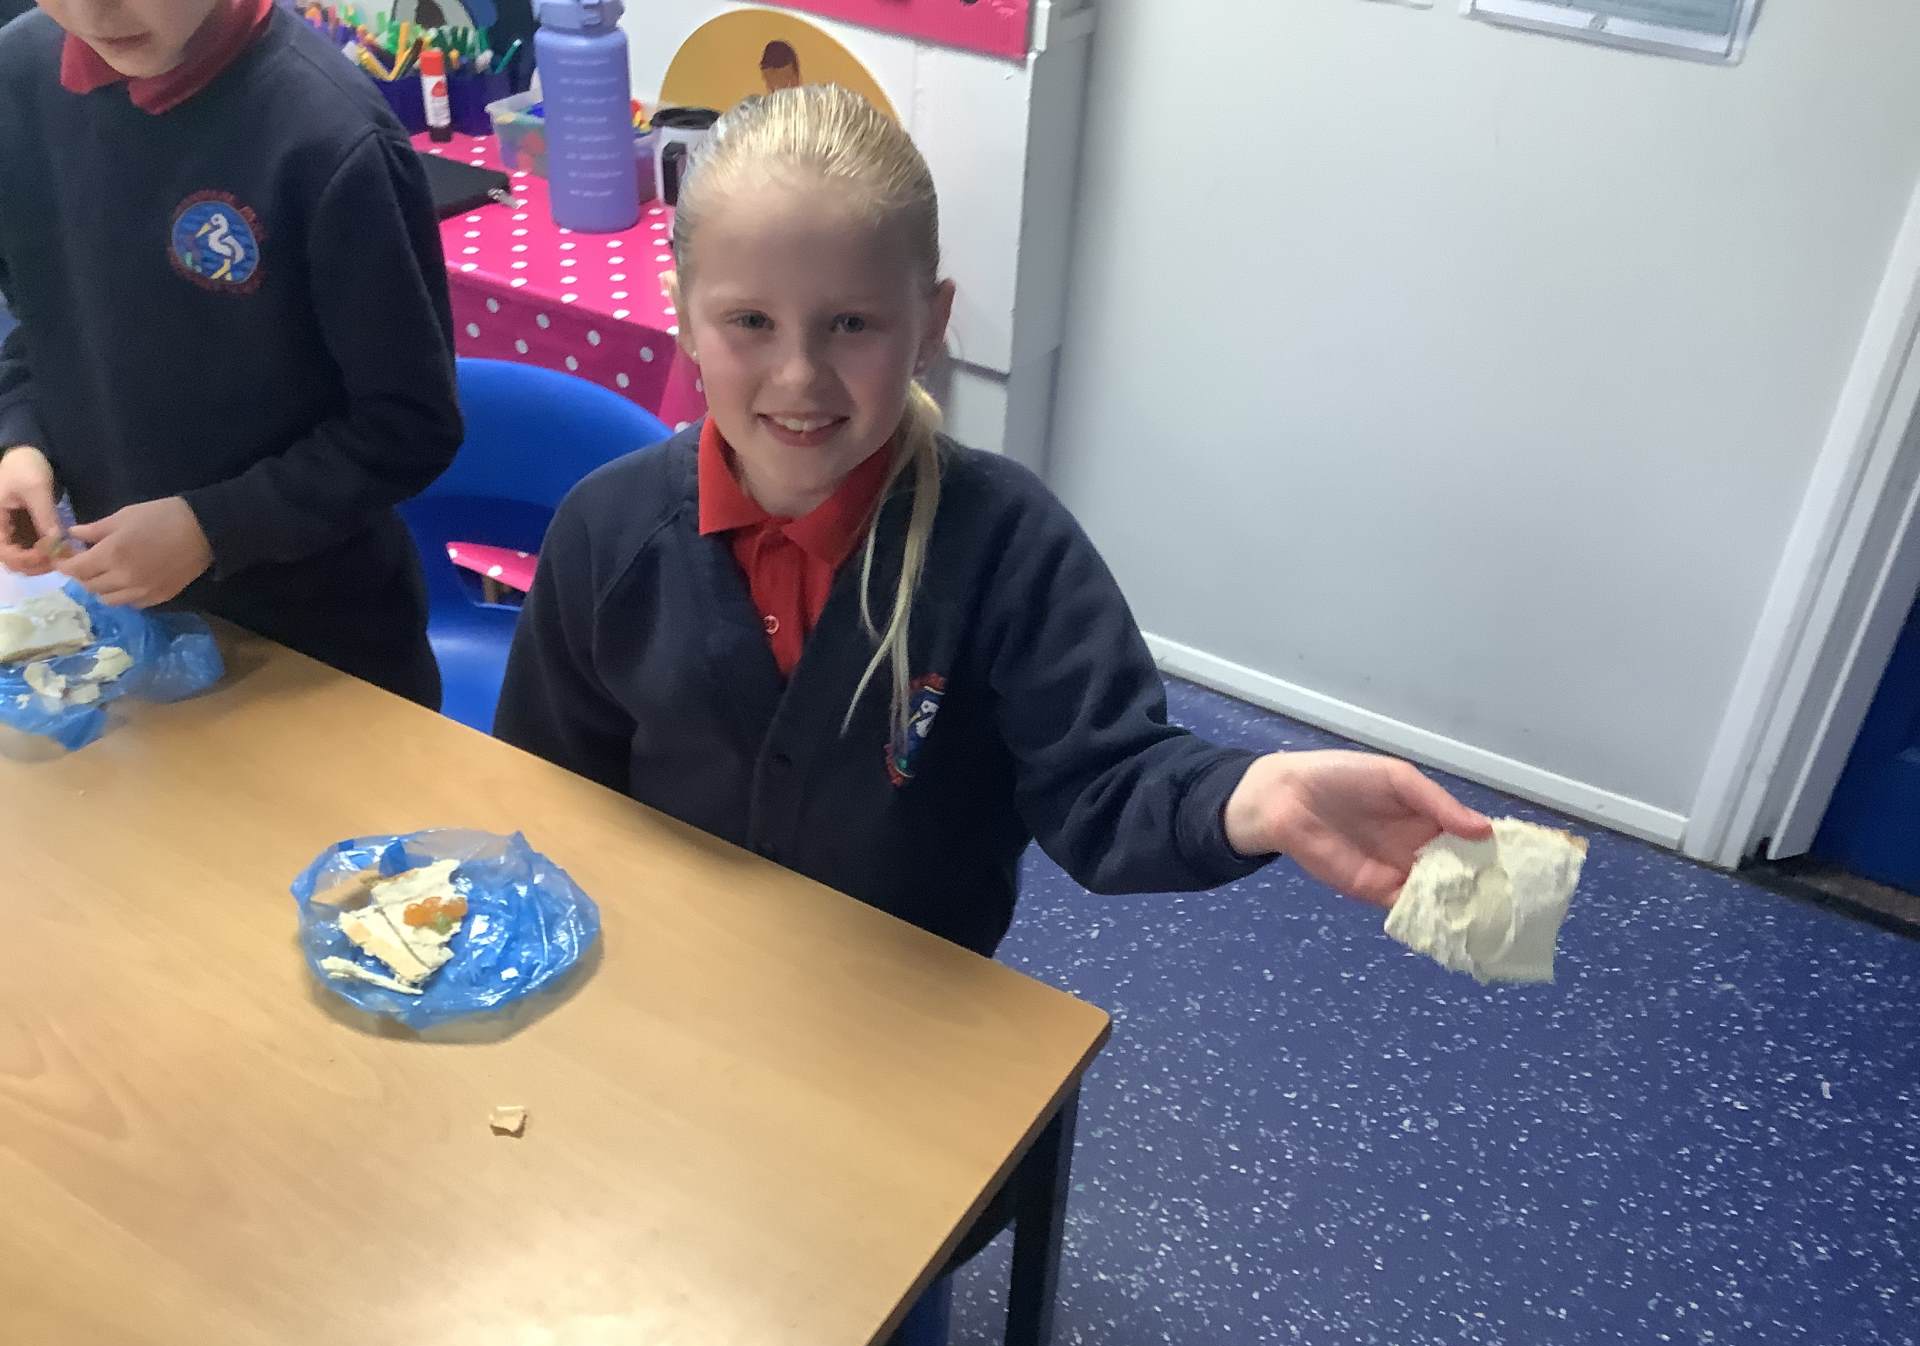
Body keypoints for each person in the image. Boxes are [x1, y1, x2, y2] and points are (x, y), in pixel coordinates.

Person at [497, 84, 1491, 958]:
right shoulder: (607, 533)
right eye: (750, 322)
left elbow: (1107, 779)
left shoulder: (1007, 546)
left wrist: (1255, 796)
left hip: (908, 1017)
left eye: (852, 324)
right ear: (683, 315)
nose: (799, 377)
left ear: (930, 325)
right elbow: (551, 793)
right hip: (668, 978)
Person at [0, 0, 462, 705]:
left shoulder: (329, 135)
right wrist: (21, 439)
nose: (93, 11)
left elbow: (410, 425)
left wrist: (211, 528)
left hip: (321, 646)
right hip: (128, 624)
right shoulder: (17, 80)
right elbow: (44, 319)